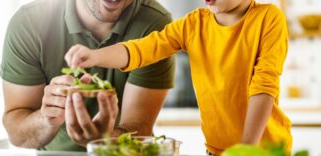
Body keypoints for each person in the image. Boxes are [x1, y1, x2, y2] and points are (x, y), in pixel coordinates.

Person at [64, 0, 293, 155]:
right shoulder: (194, 24)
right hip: (216, 150)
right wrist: (94, 56)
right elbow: (143, 49)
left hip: (264, 150)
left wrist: (247, 149)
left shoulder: (269, 18)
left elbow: (264, 86)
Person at [0, 0, 175, 151]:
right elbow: (17, 133)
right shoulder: (30, 23)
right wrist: (45, 119)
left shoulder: (155, 25)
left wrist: (107, 141)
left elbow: (140, 126)